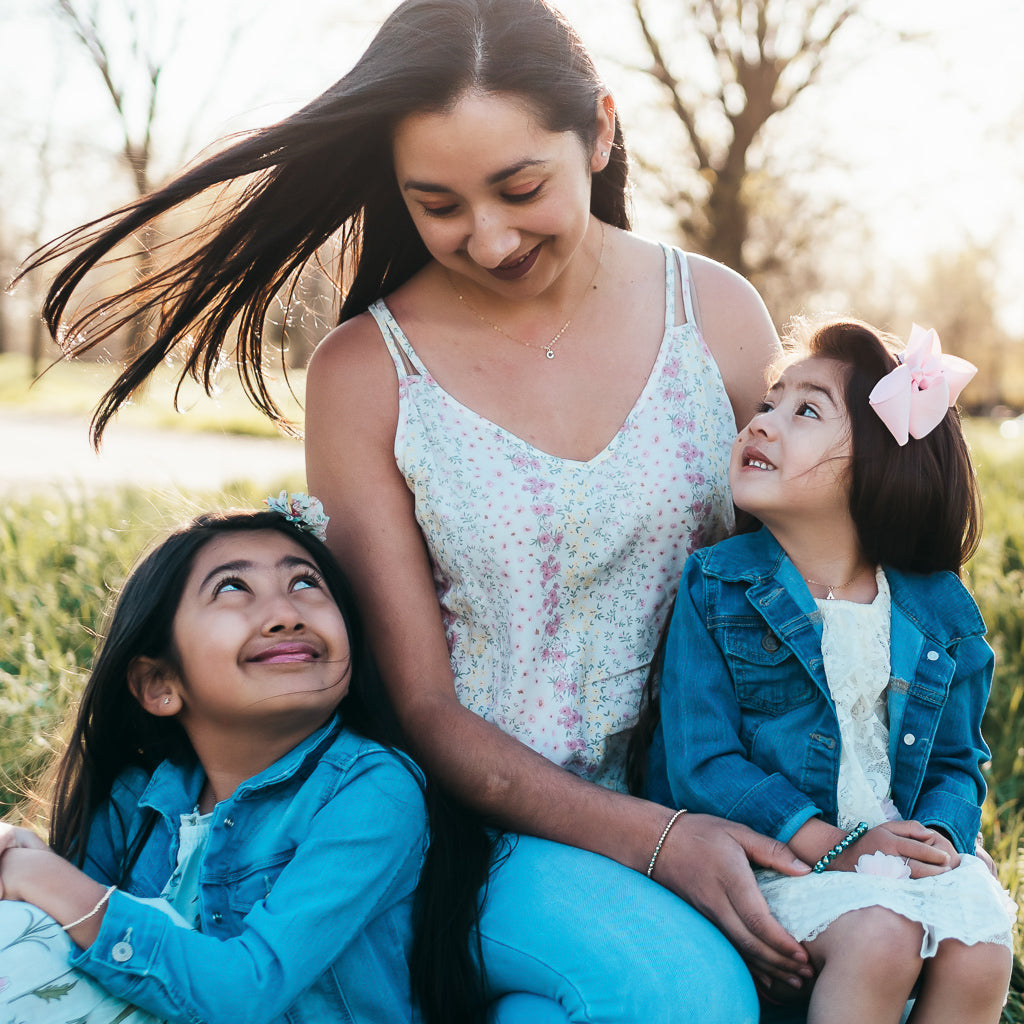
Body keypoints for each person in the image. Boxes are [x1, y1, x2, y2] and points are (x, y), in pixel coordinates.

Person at [18, 0, 820, 1017]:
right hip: (469, 825)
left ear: (600, 130)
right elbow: (421, 707)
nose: (488, 237)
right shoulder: (365, 371)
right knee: (682, 996)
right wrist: (660, 843)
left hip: (716, 785)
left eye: (520, 187)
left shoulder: (716, 314)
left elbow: (799, 583)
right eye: (437, 204)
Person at [641, 320, 1017, 1024]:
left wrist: (938, 840)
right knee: (881, 939)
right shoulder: (719, 585)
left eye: (806, 410)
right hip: (776, 863)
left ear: (878, 464)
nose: (762, 423)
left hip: (894, 856)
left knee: (980, 949)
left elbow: (957, 763)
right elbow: (703, 762)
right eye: (768, 404)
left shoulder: (938, 610)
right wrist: (833, 845)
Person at [0, 497, 490, 1024]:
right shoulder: (132, 799)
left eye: (305, 583)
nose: (286, 616)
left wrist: (46, 879)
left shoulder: (372, 789)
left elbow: (248, 992)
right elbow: (57, 955)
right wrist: (24, 866)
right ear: (160, 684)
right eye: (232, 588)